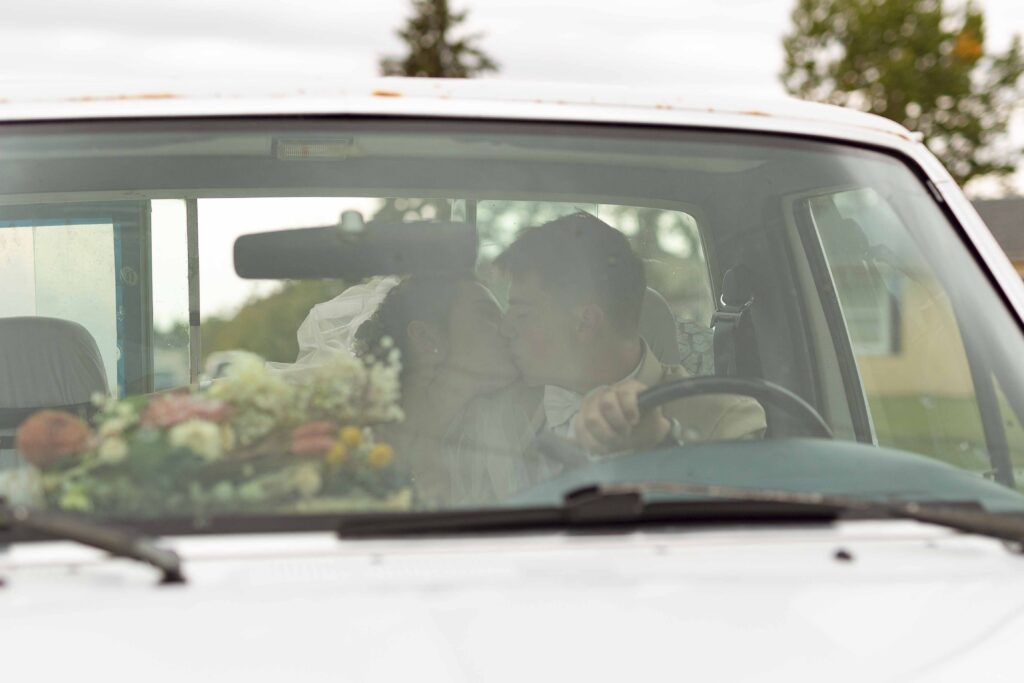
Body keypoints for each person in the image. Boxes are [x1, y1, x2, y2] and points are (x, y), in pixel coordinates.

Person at [493, 211, 766, 455]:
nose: (504, 329)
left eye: (523, 314)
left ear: (585, 322)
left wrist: (663, 442)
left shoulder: (724, 418)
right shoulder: (506, 409)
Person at [354, 272, 518, 503]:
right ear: (426, 338)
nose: (509, 330)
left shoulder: (504, 444)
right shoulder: (350, 449)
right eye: (487, 315)